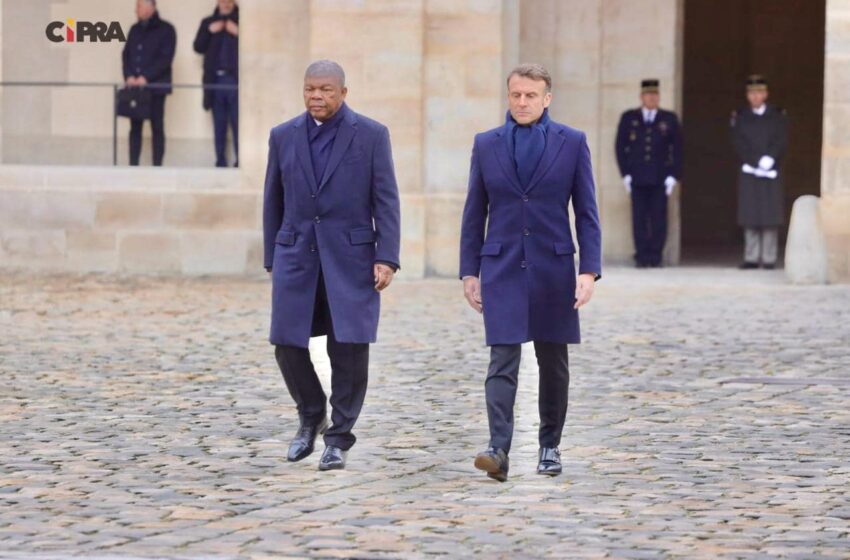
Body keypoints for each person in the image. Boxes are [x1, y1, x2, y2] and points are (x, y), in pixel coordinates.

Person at [459, 63, 602, 482]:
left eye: (530, 96)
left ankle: (549, 446)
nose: (522, 102)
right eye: (516, 95)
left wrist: (589, 271)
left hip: (554, 267)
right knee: (502, 359)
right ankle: (497, 449)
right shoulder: (486, 144)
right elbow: (474, 212)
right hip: (501, 264)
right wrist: (470, 271)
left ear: (547, 98)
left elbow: (587, 214)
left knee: (552, 362)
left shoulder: (572, 143)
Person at [263, 60, 401, 471]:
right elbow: (273, 198)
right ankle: (310, 413)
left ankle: (338, 437)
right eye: (309, 89)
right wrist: (273, 256)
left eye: (325, 89)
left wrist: (387, 256)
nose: (316, 97)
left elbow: (387, 199)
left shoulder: (372, 135)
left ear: (343, 92)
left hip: (352, 258)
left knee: (349, 347)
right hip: (296, 254)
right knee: (286, 343)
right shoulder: (283, 135)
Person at [615, 79, 682, 268]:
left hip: (660, 177)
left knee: (659, 218)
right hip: (637, 177)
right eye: (648, 95)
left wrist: (673, 175)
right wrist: (625, 174)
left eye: (655, 95)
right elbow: (620, 147)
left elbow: (677, 148)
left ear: (659, 97)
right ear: (642, 97)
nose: (651, 98)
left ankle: (655, 255)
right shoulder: (630, 117)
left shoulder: (668, 118)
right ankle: (642, 256)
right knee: (639, 218)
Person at [730, 75, 788, 270]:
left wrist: (770, 158)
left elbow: (781, 139)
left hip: (772, 169)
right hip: (749, 169)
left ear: (765, 94)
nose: (755, 96)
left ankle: (769, 257)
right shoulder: (740, 116)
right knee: (750, 213)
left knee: (770, 214)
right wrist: (755, 162)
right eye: (751, 93)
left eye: (759, 92)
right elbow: (738, 142)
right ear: (747, 96)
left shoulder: (777, 115)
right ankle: (752, 256)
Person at [121, 0, 176, 166]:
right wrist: (129, 76)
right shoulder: (134, 29)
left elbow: (165, 58)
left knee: (157, 127)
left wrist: (146, 77)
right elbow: (126, 55)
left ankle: (157, 166)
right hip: (136, 88)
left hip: (156, 88)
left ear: (150, 6)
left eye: (139, 5)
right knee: (135, 128)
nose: (135, 9)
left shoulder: (167, 29)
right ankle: (133, 165)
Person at [194, 0, 239, 167]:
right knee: (219, 123)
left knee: (238, 123)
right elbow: (198, 46)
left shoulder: (243, 21)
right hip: (216, 81)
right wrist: (209, 31)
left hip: (236, 81)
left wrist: (238, 33)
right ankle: (220, 160)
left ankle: (240, 161)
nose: (226, 4)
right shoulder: (208, 22)